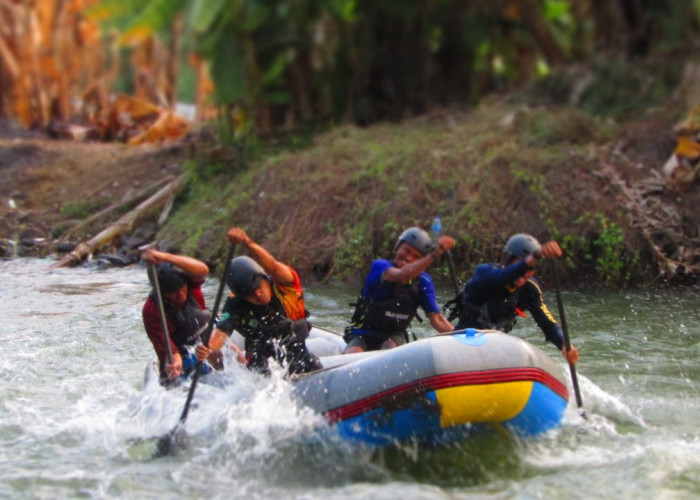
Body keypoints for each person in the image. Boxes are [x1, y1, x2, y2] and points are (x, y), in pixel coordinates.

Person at [196, 227, 322, 376]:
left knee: (295, 342)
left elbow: (273, 266)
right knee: (257, 358)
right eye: (251, 294)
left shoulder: (283, 284)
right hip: (260, 359)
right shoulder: (235, 303)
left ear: (263, 278)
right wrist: (208, 347)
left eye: (259, 287)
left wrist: (247, 242)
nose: (259, 294)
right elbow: (221, 333)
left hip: (298, 355)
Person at [448, 233, 579, 364]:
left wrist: (563, 344)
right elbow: (506, 275)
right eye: (521, 265)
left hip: (494, 351)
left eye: (529, 269)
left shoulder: (530, 289)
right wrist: (535, 256)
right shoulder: (485, 274)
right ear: (507, 259)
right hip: (462, 345)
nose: (523, 274)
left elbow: (548, 324)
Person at [344, 227, 455, 353]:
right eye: (406, 251)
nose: (408, 258)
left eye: (416, 256)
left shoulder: (424, 281)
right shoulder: (380, 267)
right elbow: (401, 275)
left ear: (421, 261)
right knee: (354, 351)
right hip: (363, 332)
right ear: (398, 247)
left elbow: (437, 319)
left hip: (394, 336)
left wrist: (459, 336)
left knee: (389, 347)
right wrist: (433, 255)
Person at [141, 248, 217, 385]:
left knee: (219, 350)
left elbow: (203, 270)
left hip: (207, 341)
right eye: (173, 292)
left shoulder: (191, 281)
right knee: (176, 373)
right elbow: (171, 352)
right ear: (163, 293)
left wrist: (165, 256)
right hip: (184, 356)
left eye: (182, 288)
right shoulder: (152, 310)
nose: (181, 295)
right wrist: (175, 364)